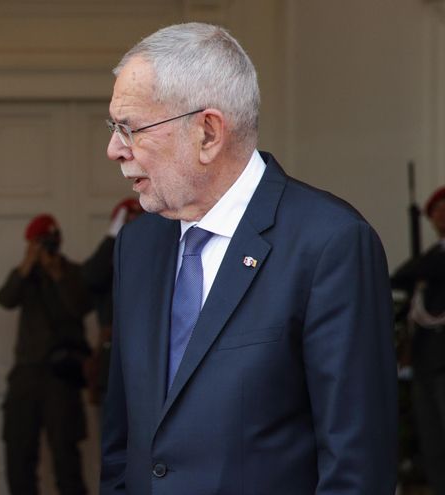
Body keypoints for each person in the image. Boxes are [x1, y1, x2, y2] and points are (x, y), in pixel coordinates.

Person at [100, 23, 397, 494]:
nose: (114, 149)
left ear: (208, 133)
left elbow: (356, 467)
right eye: (114, 128)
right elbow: (122, 443)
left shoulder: (330, 244)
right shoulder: (137, 247)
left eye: (130, 128)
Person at [0, 214, 91, 495]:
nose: (48, 245)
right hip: (26, 373)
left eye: (51, 239)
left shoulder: (74, 273)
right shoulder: (27, 276)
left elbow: (81, 307)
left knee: (66, 455)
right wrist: (27, 264)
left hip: (62, 376)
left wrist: (58, 275)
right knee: (19, 452)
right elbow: (5, 299)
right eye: (41, 241)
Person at [392, 186, 445, 495]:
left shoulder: (433, 260)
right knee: (432, 441)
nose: (440, 216)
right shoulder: (431, 256)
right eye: (435, 211)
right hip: (426, 360)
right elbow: (401, 276)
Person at [82, 198, 142, 405]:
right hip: (113, 353)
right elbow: (90, 277)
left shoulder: (157, 255)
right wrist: (113, 236)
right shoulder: (108, 262)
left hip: (148, 355)